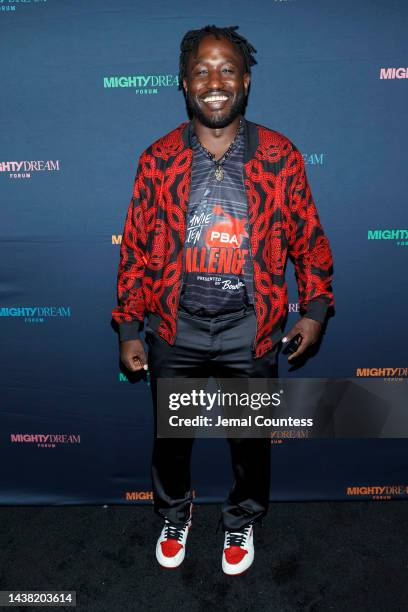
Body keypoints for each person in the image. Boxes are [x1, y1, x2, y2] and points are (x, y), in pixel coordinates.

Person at [111, 24, 334, 576]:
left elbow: (308, 238)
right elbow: (136, 247)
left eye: (227, 69)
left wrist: (314, 308)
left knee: (251, 441)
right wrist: (129, 327)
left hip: (250, 329)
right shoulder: (158, 158)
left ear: (246, 81)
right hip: (174, 328)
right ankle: (174, 511)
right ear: (184, 83)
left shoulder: (279, 155)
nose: (215, 81)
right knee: (172, 439)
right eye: (202, 70)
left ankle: (241, 519)